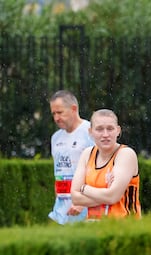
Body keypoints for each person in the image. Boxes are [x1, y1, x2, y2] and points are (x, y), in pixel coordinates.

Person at [71, 109, 141, 220]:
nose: (105, 134)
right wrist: (106, 196)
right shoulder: (87, 154)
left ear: (118, 131)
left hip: (125, 227)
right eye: (99, 129)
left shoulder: (125, 154)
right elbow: (75, 198)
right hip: (95, 228)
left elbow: (112, 196)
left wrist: (84, 189)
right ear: (90, 132)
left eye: (110, 129)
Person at [49, 90, 94, 224]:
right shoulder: (55, 138)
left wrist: (83, 202)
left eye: (60, 112)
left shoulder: (90, 132)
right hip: (61, 210)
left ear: (74, 109)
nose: (56, 118)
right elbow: (58, 172)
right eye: (53, 113)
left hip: (86, 209)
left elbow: (100, 171)